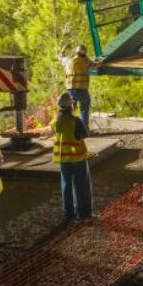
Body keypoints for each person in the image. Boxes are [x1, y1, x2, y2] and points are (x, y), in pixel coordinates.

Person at [53, 92, 92, 220]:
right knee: (81, 186)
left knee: (66, 187)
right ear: (72, 106)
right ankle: (84, 214)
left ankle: (69, 215)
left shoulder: (55, 122)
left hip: (64, 159)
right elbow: (85, 135)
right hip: (78, 158)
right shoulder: (76, 121)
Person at [60, 44, 93, 130]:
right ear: (85, 54)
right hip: (83, 89)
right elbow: (95, 65)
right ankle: (84, 130)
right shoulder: (87, 62)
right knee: (84, 110)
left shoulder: (69, 61)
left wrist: (63, 50)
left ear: (76, 52)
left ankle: (67, 129)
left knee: (68, 110)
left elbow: (61, 58)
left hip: (71, 90)